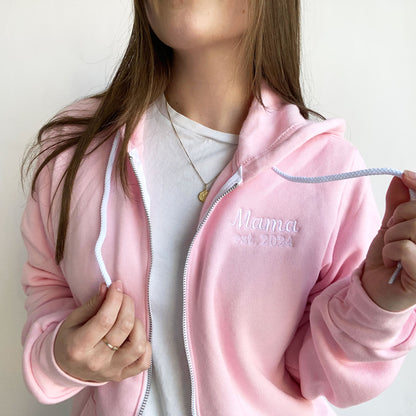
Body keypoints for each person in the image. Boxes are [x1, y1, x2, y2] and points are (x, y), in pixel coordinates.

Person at [20, 1, 416, 415]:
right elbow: (48, 290)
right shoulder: (73, 154)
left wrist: (379, 303)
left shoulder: (328, 171)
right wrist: (59, 357)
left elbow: (325, 373)